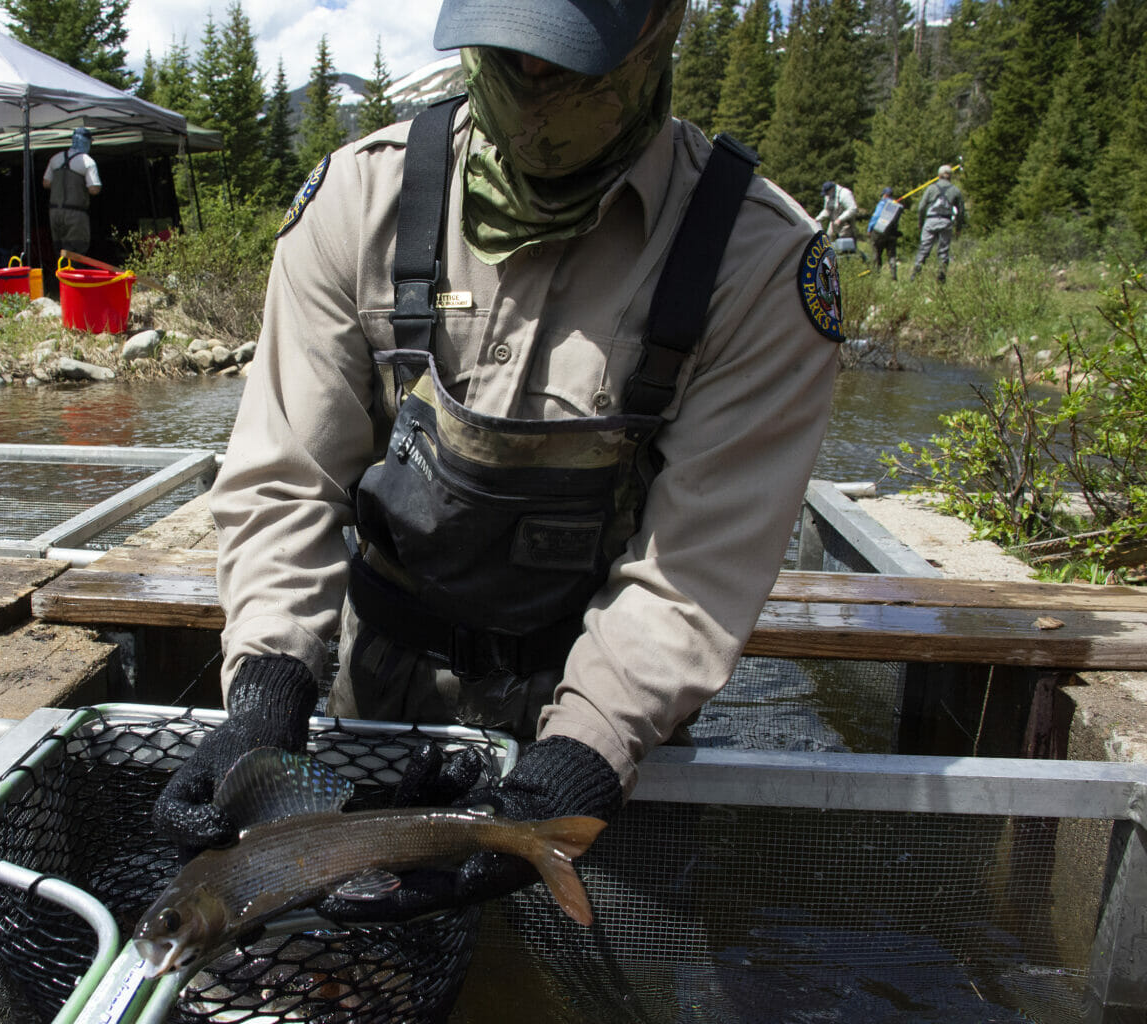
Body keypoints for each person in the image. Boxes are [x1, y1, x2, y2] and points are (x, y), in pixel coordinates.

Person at [150, 0, 843, 941]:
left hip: (604, 734)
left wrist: (576, 767)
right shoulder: (358, 202)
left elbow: (691, 577)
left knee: (592, 968)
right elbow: (285, 481)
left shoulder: (758, 265)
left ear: (659, 28)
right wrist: (267, 691)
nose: (535, 80)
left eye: (569, 59)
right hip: (374, 707)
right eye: (510, 49)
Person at [43, 127, 102, 255]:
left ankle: (60, 268)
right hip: (75, 214)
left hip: (55, 212)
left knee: (59, 250)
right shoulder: (88, 162)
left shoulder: (55, 158)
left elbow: (46, 183)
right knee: (76, 251)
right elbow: (94, 189)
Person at [912, 164, 965, 283]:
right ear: (950, 176)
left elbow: (921, 207)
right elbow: (961, 212)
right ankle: (941, 277)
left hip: (930, 221)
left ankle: (915, 275)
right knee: (943, 251)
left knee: (924, 248)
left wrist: (920, 222)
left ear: (939, 175)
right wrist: (958, 228)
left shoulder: (931, 188)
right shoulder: (956, 190)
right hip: (946, 222)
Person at [868, 185, 902, 280]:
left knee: (876, 253)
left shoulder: (882, 203)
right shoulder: (897, 205)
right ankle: (893, 275)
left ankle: (876, 275)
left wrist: (870, 229)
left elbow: (876, 216)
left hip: (879, 231)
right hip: (892, 233)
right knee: (892, 254)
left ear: (885, 195)